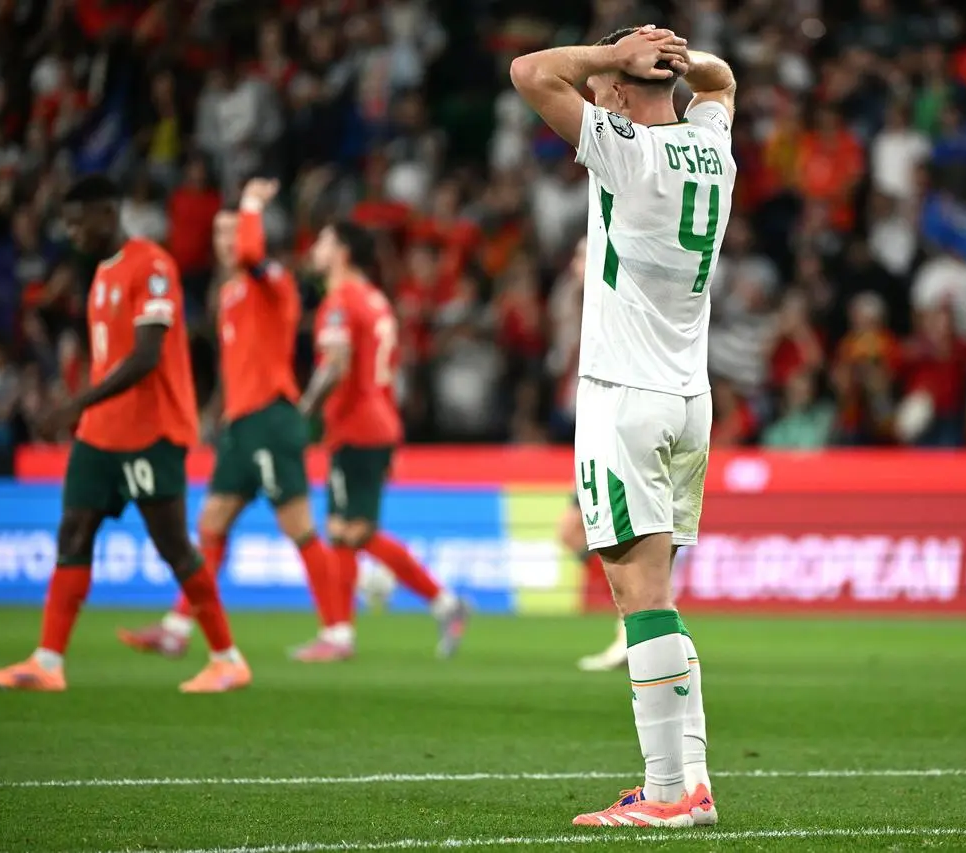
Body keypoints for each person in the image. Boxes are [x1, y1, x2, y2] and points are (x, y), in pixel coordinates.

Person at [510, 23, 735, 828]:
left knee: (637, 596)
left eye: (607, 81)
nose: (596, 91)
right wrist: (676, 60)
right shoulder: (713, 144)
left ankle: (667, 791)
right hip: (688, 397)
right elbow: (723, 82)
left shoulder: (627, 149)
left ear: (623, 87)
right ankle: (690, 779)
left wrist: (612, 56)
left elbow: (530, 71)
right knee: (659, 594)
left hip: (624, 395)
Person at [0, 175, 250, 693]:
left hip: (150, 432)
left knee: (174, 547)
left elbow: (147, 355)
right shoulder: (102, 273)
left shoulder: (150, 266)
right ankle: (47, 662)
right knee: (73, 531)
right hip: (101, 432)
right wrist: (83, 413)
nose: (71, 231)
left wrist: (72, 404)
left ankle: (227, 658)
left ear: (107, 213)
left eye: (77, 220)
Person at [117, 179, 345, 662]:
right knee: (212, 522)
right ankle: (178, 628)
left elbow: (249, 250)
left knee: (299, 526)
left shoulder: (273, 282)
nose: (225, 242)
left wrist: (252, 206)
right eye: (219, 234)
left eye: (231, 232)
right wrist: (215, 412)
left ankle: (337, 633)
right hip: (240, 425)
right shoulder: (230, 295)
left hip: (271, 418)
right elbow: (233, 366)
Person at [294, 220, 467, 661]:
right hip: (376, 422)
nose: (315, 248)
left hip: (354, 426)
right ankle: (439, 603)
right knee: (351, 530)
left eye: (323, 240)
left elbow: (334, 364)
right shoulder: (375, 300)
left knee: (344, 530)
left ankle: (341, 635)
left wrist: (303, 415)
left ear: (343, 252)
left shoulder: (340, 300)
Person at [557, 490, 628, 671]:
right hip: (594, 463)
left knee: (627, 536)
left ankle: (630, 636)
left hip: (624, 466)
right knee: (569, 531)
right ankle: (628, 614)